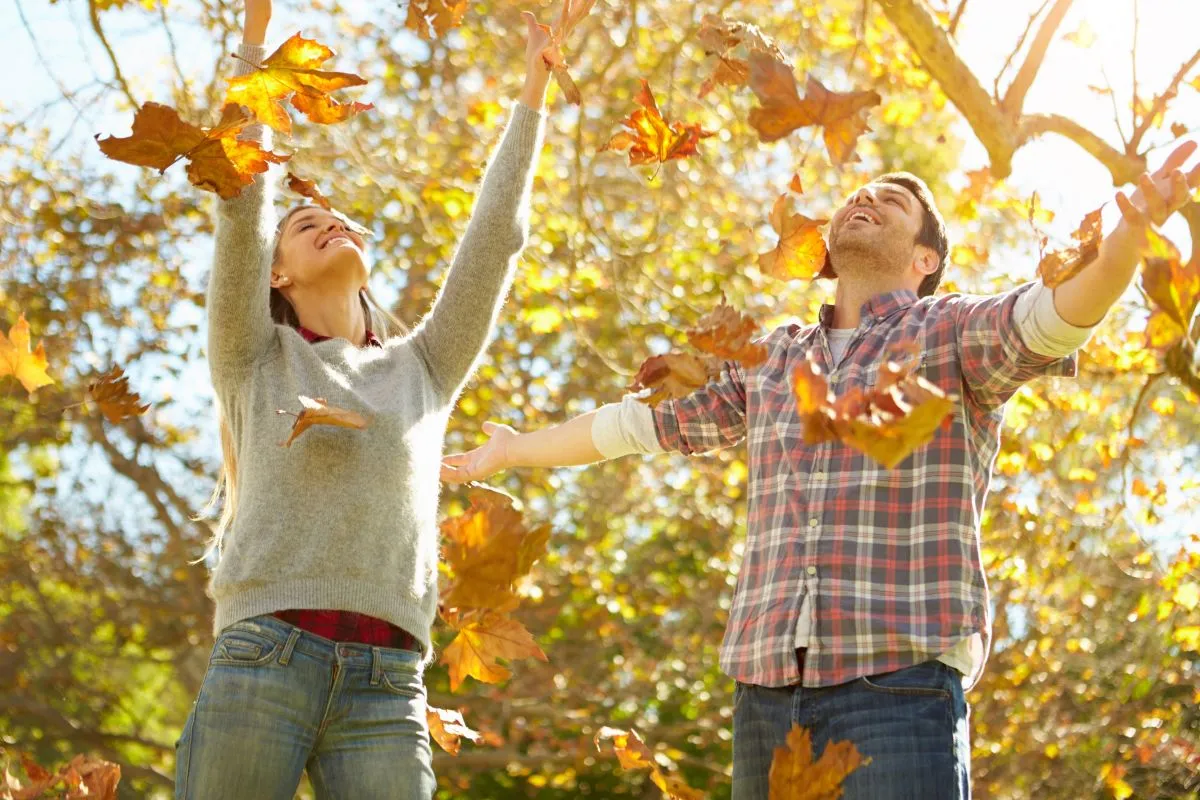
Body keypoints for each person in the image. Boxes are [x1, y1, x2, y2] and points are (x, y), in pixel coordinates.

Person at [441, 150, 1199, 798]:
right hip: (766, 698)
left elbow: (1056, 317)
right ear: (830, 249)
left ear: (925, 259)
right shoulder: (772, 358)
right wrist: (511, 449)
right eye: (859, 194)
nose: (866, 197)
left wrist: (1127, 238)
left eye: (894, 200)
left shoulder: (951, 334)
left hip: (899, 689)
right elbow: (633, 428)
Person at [175, 0, 565, 795]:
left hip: (387, 685)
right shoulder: (251, 357)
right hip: (263, 657)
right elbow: (242, 209)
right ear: (275, 274)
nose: (331, 223)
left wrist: (534, 91)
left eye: (339, 218)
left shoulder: (424, 366)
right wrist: (255, 49)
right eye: (305, 223)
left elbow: (495, 239)